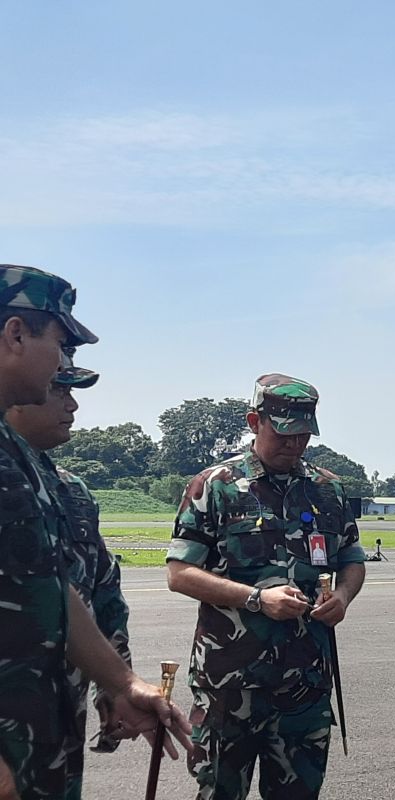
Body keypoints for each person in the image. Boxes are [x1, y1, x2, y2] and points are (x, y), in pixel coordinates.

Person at [0, 264, 191, 800]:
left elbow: (53, 589)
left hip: (41, 741)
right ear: (17, 334)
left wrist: (121, 681)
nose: (65, 366)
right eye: (60, 345)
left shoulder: (19, 460)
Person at [167, 373, 366, 800]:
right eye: (284, 433)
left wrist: (343, 597)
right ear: (254, 421)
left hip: (304, 685)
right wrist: (257, 599)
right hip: (230, 686)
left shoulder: (328, 489)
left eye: (304, 435)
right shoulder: (214, 486)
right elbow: (180, 573)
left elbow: (351, 558)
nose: (295, 445)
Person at [6, 362, 132, 799]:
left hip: (59, 716)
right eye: (61, 390)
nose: (73, 404)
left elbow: (102, 593)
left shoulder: (71, 491)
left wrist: (116, 683)